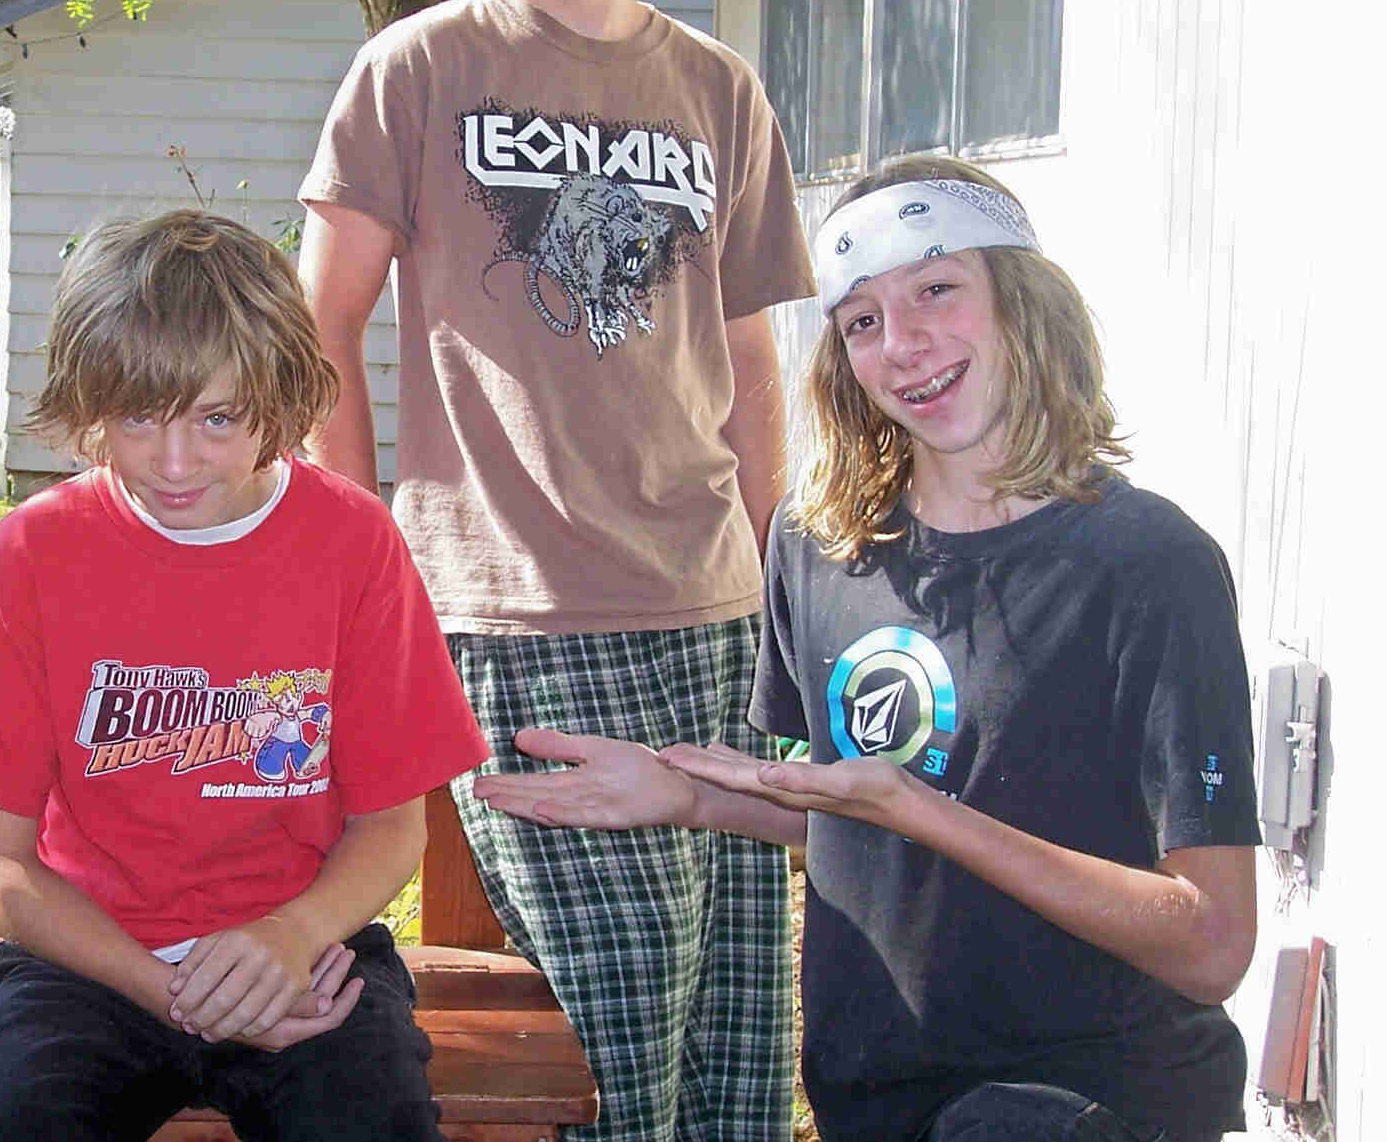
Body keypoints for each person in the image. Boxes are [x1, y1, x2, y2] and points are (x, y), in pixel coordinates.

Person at [477, 156, 1261, 1142]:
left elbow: (1213, 942)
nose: (903, 344)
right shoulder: (820, 547)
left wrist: (922, 811)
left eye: (937, 289)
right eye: (861, 320)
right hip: (878, 1094)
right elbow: (859, 829)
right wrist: (688, 795)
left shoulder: (1150, 562)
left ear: (1023, 298)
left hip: (1088, 1097)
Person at [296, 0, 809, 1139]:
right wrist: (366, 548)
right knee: (616, 1030)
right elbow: (317, 324)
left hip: (717, 608)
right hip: (517, 610)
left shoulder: (717, 89)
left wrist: (781, 570)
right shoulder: (417, 68)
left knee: (738, 1035)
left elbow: (749, 357)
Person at [0, 208, 490, 1140]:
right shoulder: (32, 554)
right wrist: (172, 989)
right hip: (90, 964)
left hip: (301, 946)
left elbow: (393, 826)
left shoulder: (353, 544)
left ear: (283, 394)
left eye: (218, 418)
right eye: (138, 416)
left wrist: (290, 934)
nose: (175, 461)